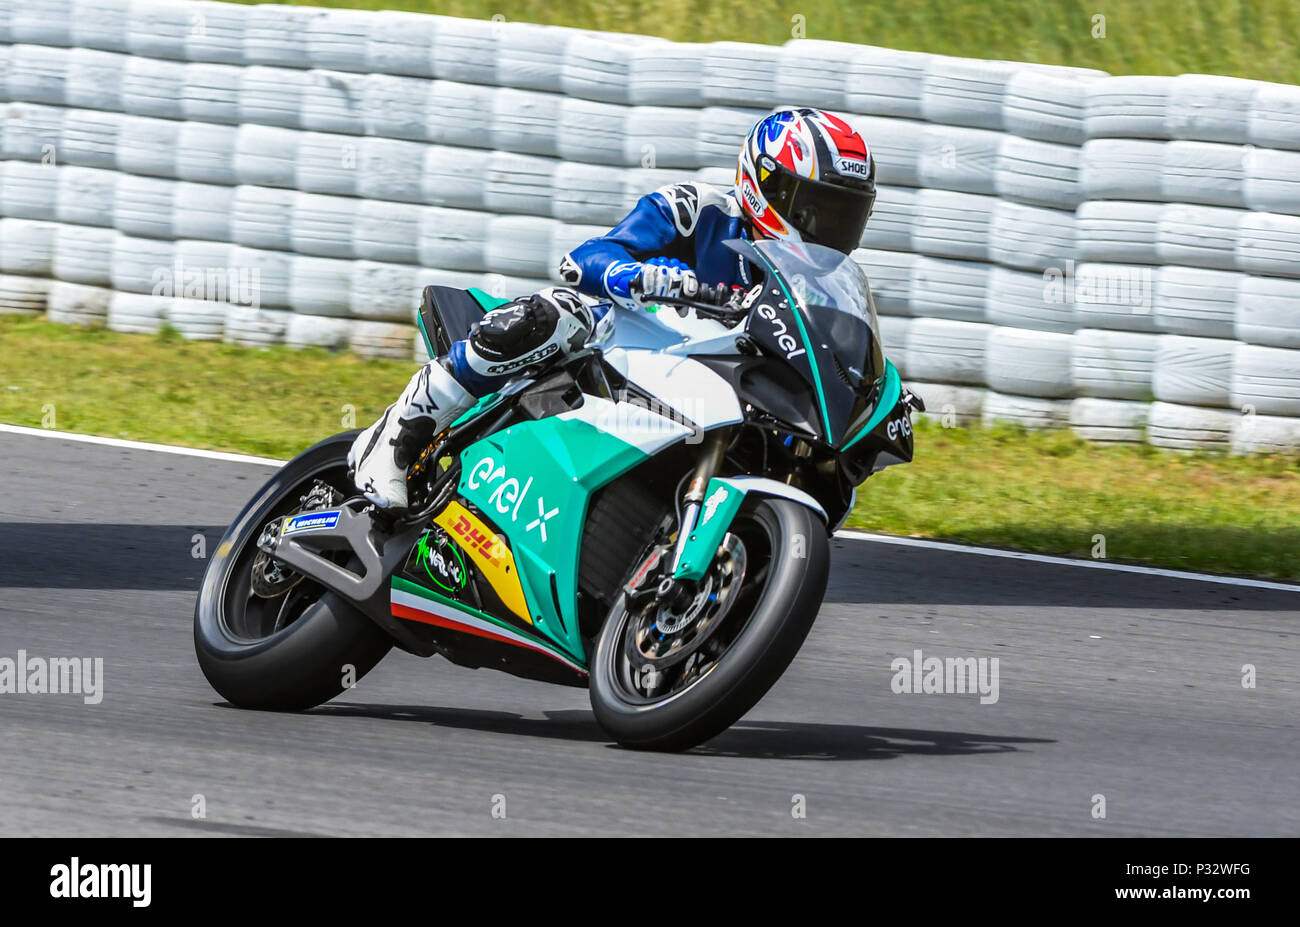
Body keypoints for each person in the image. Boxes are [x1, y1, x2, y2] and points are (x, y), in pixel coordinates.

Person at [349, 107, 878, 509]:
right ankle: (401, 430)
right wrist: (648, 276)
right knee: (562, 314)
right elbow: (585, 259)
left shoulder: (824, 290)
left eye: (841, 216)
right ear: (765, 186)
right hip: (634, 343)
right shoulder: (701, 211)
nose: (824, 228)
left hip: (718, 392)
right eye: (814, 208)